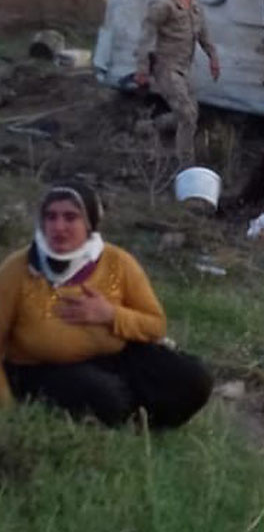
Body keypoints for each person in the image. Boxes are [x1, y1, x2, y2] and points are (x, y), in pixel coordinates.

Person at [0, 183, 211, 428]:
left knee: (193, 379)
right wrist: (7, 410)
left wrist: (111, 315)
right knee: (106, 398)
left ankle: (142, 426)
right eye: (51, 217)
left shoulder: (117, 262)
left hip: (112, 358)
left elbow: (156, 326)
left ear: (90, 222)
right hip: (40, 368)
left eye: (70, 217)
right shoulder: (18, 269)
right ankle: (113, 421)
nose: (58, 227)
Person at [135, 0, 220, 165]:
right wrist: (142, 69)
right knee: (188, 115)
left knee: (192, 112)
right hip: (167, 68)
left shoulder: (194, 1)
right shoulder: (163, 5)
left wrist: (212, 56)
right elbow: (146, 36)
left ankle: (152, 126)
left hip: (184, 68)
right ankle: (186, 166)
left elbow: (202, 32)